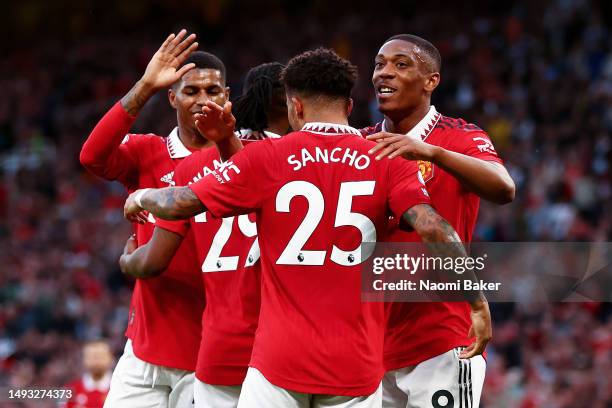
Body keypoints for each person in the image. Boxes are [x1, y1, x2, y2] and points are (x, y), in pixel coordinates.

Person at [122, 48, 490, 408]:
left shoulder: (266, 158)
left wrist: (142, 198)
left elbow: (183, 201)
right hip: (356, 363)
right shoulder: (389, 159)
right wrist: (476, 302)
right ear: (348, 107)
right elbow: (436, 228)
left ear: (295, 107)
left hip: (278, 361)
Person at [119, 62, 289, 408]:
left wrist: (140, 203)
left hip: (219, 347)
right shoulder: (297, 166)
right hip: (289, 348)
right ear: (294, 105)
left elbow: (152, 261)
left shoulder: (195, 167)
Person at [79, 29, 232, 407]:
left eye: (213, 91)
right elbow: (92, 157)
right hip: (144, 350)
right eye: (191, 91)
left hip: (208, 355)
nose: (202, 100)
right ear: (172, 97)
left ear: (227, 98)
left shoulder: (241, 160)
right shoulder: (148, 152)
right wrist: (144, 86)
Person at [363, 34, 514, 408]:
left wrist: (432, 152)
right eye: (380, 64)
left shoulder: (459, 137)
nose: (385, 73)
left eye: (401, 65)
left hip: (442, 336)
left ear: (431, 81)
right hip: (369, 339)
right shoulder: (361, 143)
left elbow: (503, 187)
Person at [63, 340, 114, 408]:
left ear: (110, 358)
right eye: (91, 356)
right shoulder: (69, 389)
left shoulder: (120, 387)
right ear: (84, 359)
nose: (96, 361)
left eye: (100, 356)